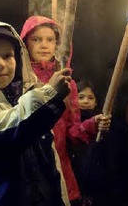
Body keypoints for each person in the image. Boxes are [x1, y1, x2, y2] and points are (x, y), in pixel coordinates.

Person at [0, 21, 72, 206]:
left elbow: (51, 168)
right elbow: (4, 134)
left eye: (7, 55)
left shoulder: (29, 98)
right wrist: (47, 95)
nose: (0, 64)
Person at [20, 15, 111, 205]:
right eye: (36, 39)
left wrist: (92, 124)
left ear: (58, 45)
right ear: (25, 43)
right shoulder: (20, 79)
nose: (44, 45)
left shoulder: (68, 83)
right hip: (28, 168)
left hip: (60, 168)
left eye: (50, 40)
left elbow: (72, 130)